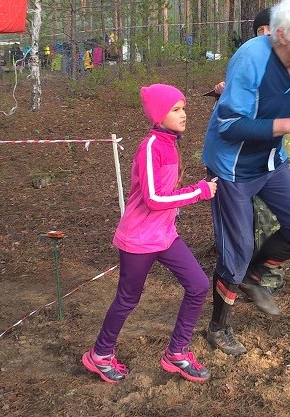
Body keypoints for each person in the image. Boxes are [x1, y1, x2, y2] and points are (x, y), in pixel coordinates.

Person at [201, 0, 290, 356]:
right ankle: (218, 328)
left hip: (271, 161)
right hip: (233, 168)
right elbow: (228, 126)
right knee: (237, 250)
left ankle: (253, 276)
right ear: (281, 35)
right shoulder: (251, 59)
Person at [82, 84, 217, 384]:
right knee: (128, 299)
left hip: (165, 235)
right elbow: (154, 198)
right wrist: (199, 191)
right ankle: (100, 355)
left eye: (183, 108)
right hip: (139, 239)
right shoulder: (151, 147)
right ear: (159, 115)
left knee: (198, 285)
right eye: (175, 109)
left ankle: (177, 353)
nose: (183, 114)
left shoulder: (171, 143)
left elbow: (167, 193)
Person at [211, 6, 290, 295]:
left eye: (270, 30)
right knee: (249, 222)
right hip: (245, 157)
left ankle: (265, 279)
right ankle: (244, 274)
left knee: (270, 220)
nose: (265, 36)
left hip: (279, 152)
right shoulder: (254, 60)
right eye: (260, 31)